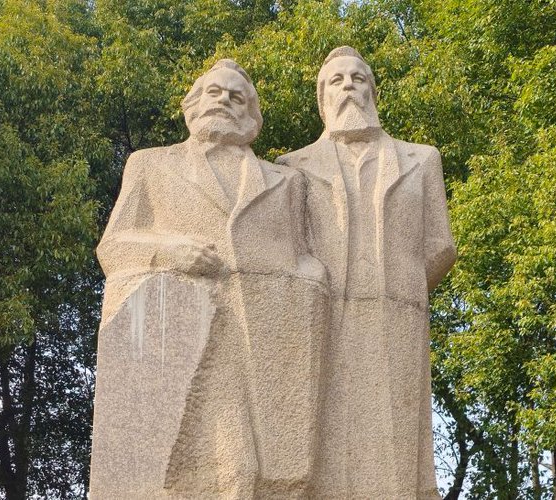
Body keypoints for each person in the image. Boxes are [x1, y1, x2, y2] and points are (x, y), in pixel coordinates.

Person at [91, 59, 327, 499]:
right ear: (193, 105)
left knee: (254, 473)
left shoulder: (286, 182)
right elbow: (113, 247)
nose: (224, 102)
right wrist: (169, 252)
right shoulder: (150, 165)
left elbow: (306, 261)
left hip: (266, 341)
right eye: (214, 92)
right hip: (183, 329)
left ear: (252, 117)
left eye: (237, 97)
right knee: (219, 468)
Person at [277, 46, 456, 499]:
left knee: (397, 444)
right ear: (322, 98)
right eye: (337, 80)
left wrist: (399, 288)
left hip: (398, 315)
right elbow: (286, 251)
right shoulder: (290, 169)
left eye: (358, 78)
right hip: (321, 319)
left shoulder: (421, 159)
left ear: (373, 91)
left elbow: (440, 246)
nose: (349, 87)